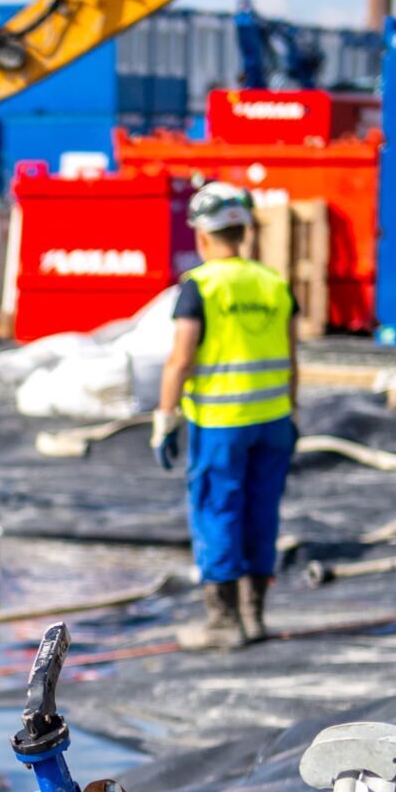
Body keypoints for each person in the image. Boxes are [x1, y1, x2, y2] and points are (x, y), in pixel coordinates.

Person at [150, 181, 298, 650]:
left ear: (202, 235)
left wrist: (165, 417)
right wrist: (292, 414)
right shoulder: (274, 283)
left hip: (221, 424)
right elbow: (292, 359)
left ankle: (222, 622)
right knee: (261, 511)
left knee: (217, 510)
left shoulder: (201, 286)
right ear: (244, 232)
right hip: (274, 420)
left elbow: (180, 359)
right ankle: (255, 617)